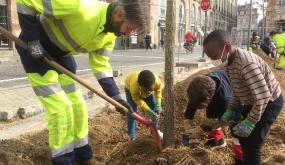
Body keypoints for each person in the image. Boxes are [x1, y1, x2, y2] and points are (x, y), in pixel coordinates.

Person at [16, 0, 144, 164]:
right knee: (61, 109)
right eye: (129, 28)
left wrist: (117, 97)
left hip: (61, 56)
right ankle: (63, 159)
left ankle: (83, 155)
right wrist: (33, 42)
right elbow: (25, 2)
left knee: (78, 106)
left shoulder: (109, 36)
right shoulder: (80, 6)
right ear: (119, 15)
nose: (128, 34)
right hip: (36, 52)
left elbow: (101, 66)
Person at [203, 30, 283, 165]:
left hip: (269, 103)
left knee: (253, 143)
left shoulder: (247, 65)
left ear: (227, 47)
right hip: (252, 101)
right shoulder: (229, 63)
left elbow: (263, 97)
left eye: (214, 55)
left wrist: (250, 122)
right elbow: (238, 89)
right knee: (243, 137)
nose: (213, 60)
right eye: (210, 57)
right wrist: (231, 110)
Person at [182, 69, 243, 161]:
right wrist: (188, 122)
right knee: (210, 113)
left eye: (199, 106)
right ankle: (218, 141)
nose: (197, 107)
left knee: (235, 129)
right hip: (220, 90)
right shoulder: (203, 84)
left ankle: (241, 158)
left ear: (208, 99)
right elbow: (193, 102)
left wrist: (200, 130)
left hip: (240, 96)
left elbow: (221, 121)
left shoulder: (224, 100)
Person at [124, 70, 163, 141]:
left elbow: (158, 91)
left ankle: (154, 132)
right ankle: (132, 136)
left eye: (151, 89)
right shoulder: (134, 87)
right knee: (132, 112)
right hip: (129, 88)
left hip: (146, 89)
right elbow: (138, 100)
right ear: (140, 86)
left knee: (155, 109)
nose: (149, 91)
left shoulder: (157, 82)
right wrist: (149, 111)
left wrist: (158, 104)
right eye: (147, 90)